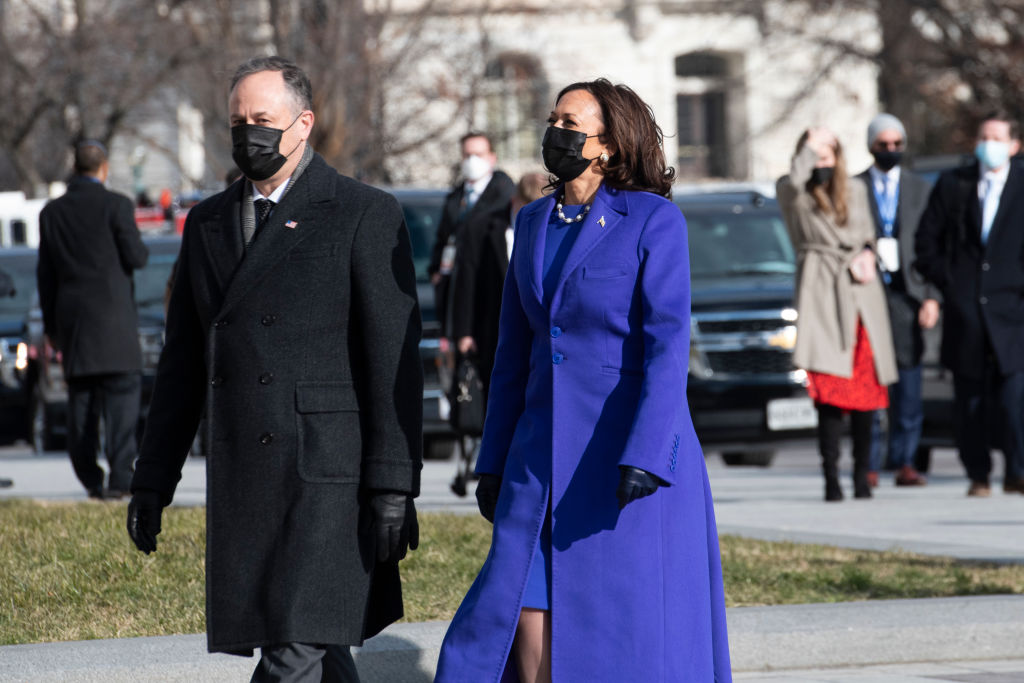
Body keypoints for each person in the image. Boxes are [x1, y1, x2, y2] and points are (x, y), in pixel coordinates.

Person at [125, 56, 423, 682]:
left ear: (303, 124)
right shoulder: (207, 222)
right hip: (246, 476)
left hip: (328, 476)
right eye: (238, 122)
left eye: (262, 119)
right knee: (312, 642)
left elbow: (391, 358)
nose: (248, 134)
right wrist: (153, 478)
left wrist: (394, 482)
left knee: (294, 646)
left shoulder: (361, 211)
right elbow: (183, 365)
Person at [435, 79, 731, 683]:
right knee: (516, 609)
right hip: (538, 461)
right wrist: (492, 460)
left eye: (571, 124)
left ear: (609, 145)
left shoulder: (653, 219)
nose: (555, 132)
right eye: (554, 120)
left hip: (625, 460)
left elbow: (668, 348)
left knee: (622, 636)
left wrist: (647, 453)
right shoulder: (533, 221)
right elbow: (511, 355)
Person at [778, 127, 897, 502]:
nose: (821, 162)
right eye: (814, 155)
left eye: (828, 155)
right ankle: (831, 476)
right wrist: (811, 147)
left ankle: (863, 475)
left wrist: (868, 252)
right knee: (829, 394)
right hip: (823, 294)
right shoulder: (794, 190)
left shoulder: (856, 189)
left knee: (865, 394)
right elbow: (793, 182)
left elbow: (867, 233)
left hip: (860, 293)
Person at [914, 111, 1024, 497]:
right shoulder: (954, 184)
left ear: (1014, 145)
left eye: (997, 138)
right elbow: (926, 243)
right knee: (970, 401)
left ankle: (1017, 470)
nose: (989, 145)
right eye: (984, 137)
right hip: (967, 314)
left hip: (1013, 314)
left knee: (1013, 399)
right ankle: (978, 474)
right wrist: (951, 284)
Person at [37, 140, 149, 500]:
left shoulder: (52, 213)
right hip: (116, 322)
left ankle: (89, 477)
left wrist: (52, 328)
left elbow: (45, 276)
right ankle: (120, 477)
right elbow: (137, 257)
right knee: (122, 403)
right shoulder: (117, 205)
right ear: (104, 169)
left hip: (75, 325)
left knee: (81, 404)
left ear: (75, 168)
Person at [446, 173, 547, 497]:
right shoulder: (482, 227)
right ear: (515, 202)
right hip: (492, 330)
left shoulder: (554, 224)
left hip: (538, 331)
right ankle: (495, 468)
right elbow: (466, 281)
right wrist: (463, 332)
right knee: (498, 397)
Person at [856, 114, 933, 487]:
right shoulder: (854, 187)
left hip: (907, 293)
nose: (890, 150)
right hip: (868, 293)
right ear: (871, 146)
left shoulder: (919, 188)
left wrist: (931, 297)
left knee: (908, 381)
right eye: (883, 145)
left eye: (896, 144)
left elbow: (933, 245)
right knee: (869, 380)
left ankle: (904, 459)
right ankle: (869, 462)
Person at [427, 132, 515, 343]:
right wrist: (436, 272)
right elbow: (443, 239)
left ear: (492, 157)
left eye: (478, 154)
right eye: (467, 155)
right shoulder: (455, 198)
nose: (472, 160)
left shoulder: (505, 197)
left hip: (490, 297)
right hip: (456, 295)